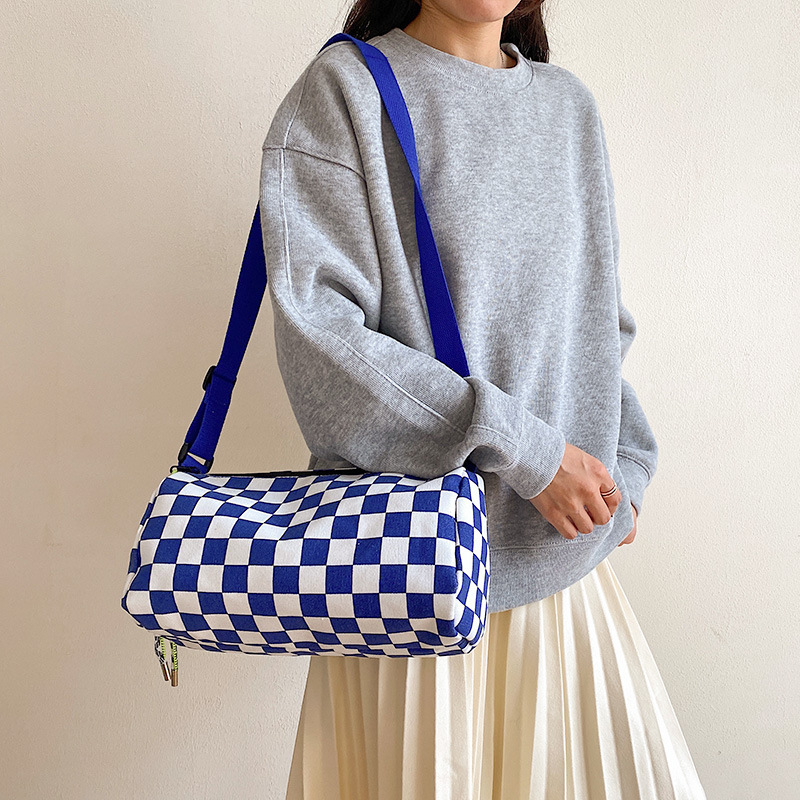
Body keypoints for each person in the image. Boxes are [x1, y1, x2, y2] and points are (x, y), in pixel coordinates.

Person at [259, 1, 708, 797]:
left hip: (562, 572)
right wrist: (529, 453)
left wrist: (625, 472)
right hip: (409, 584)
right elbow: (323, 348)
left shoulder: (567, 108)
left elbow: (594, 326)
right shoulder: (346, 91)